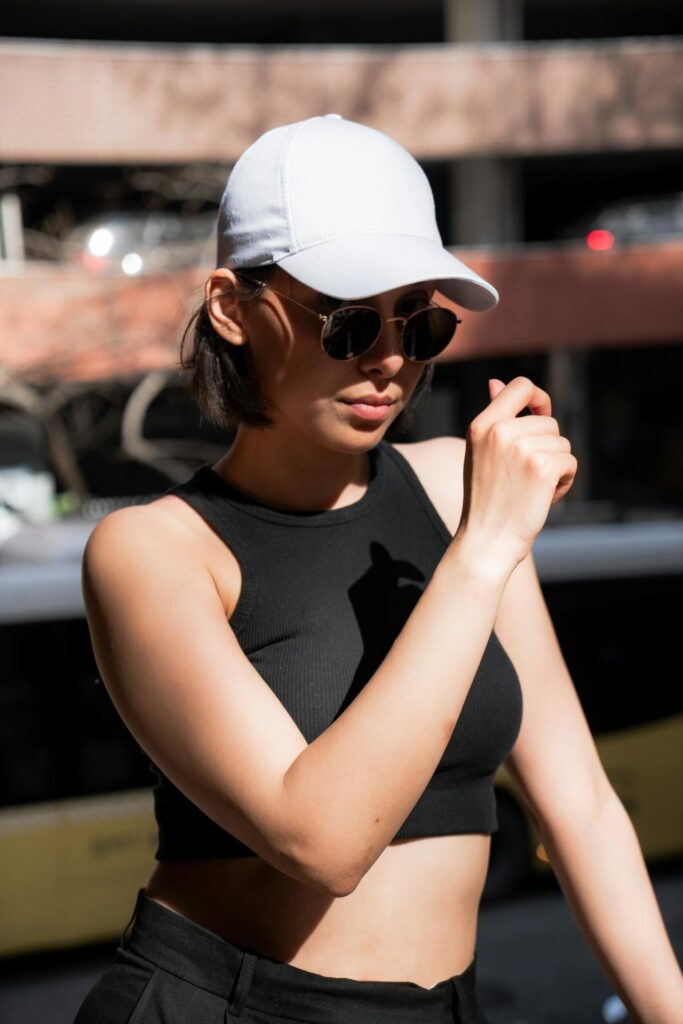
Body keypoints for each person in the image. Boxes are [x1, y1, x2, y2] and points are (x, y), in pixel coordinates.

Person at [74, 114, 683, 1024]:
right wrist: (482, 550)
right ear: (231, 308)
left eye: (419, 321)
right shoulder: (154, 551)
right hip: (233, 1005)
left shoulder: (452, 489)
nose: (390, 360)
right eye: (348, 322)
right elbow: (321, 844)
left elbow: (580, 807)